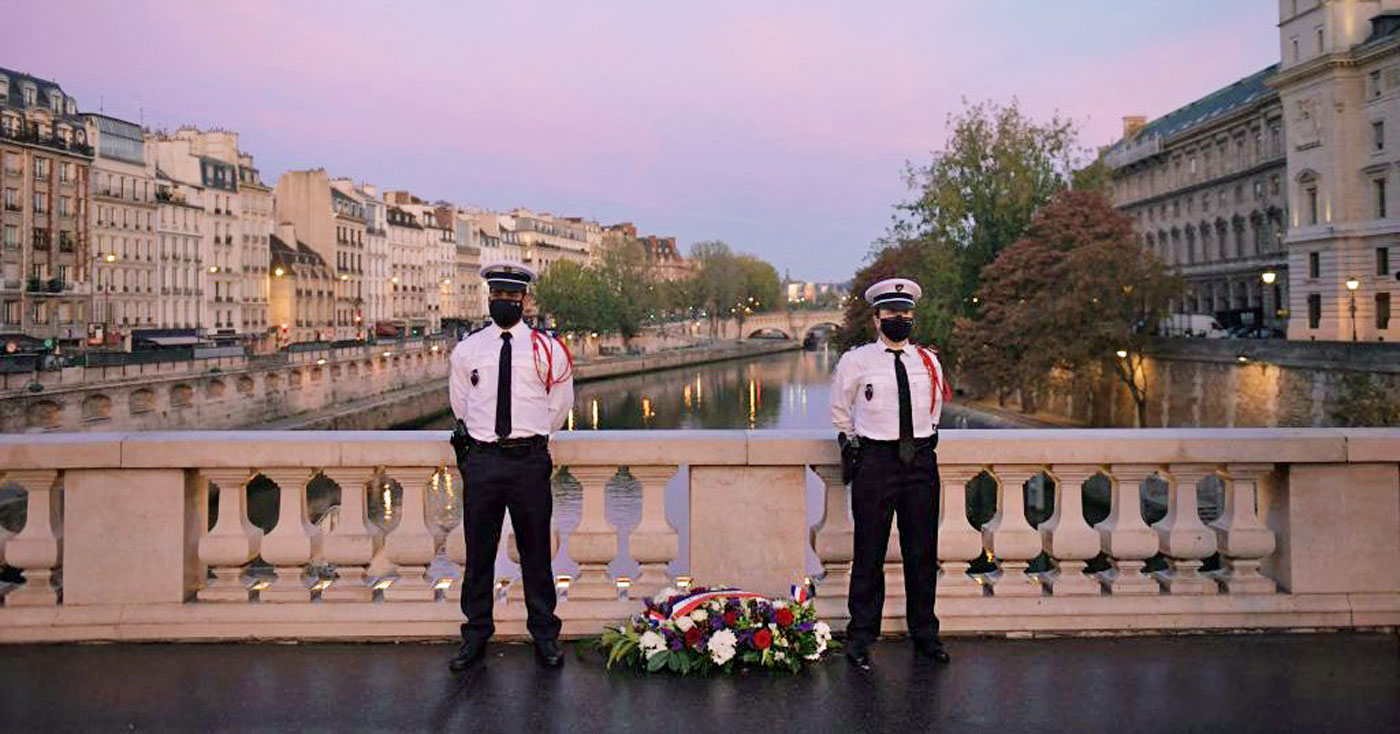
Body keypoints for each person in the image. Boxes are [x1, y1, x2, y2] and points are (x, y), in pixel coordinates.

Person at [447, 261, 574, 671]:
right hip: (484, 459)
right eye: (497, 295)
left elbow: (560, 406)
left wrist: (529, 436)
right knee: (478, 553)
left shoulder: (547, 348)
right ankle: (475, 634)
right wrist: (484, 444)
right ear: (489, 298)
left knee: (536, 552)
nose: (504, 301)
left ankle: (545, 634)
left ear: (524, 300)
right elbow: (461, 404)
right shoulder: (468, 350)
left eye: (511, 296)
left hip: (528, 461)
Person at [829, 277, 952, 671]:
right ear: (877, 318)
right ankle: (861, 638)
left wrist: (920, 442)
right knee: (869, 553)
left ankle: (926, 634)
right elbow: (840, 411)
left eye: (905, 312)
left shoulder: (928, 361)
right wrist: (857, 447)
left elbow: (935, 410)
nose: (899, 318)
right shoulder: (856, 361)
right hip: (876, 462)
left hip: (920, 461)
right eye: (891, 312)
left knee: (922, 552)